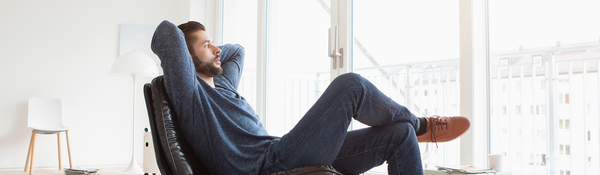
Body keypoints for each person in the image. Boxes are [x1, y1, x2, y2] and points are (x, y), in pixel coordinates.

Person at [150, 20, 470, 175]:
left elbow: (237, 51)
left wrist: (207, 50)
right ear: (185, 61)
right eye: (207, 44)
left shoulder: (223, 87)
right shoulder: (191, 96)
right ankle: (422, 124)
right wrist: (192, 53)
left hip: (281, 151)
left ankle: (412, 128)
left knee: (398, 136)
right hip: (268, 167)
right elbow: (167, 33)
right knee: (350, 86)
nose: (217, 48)